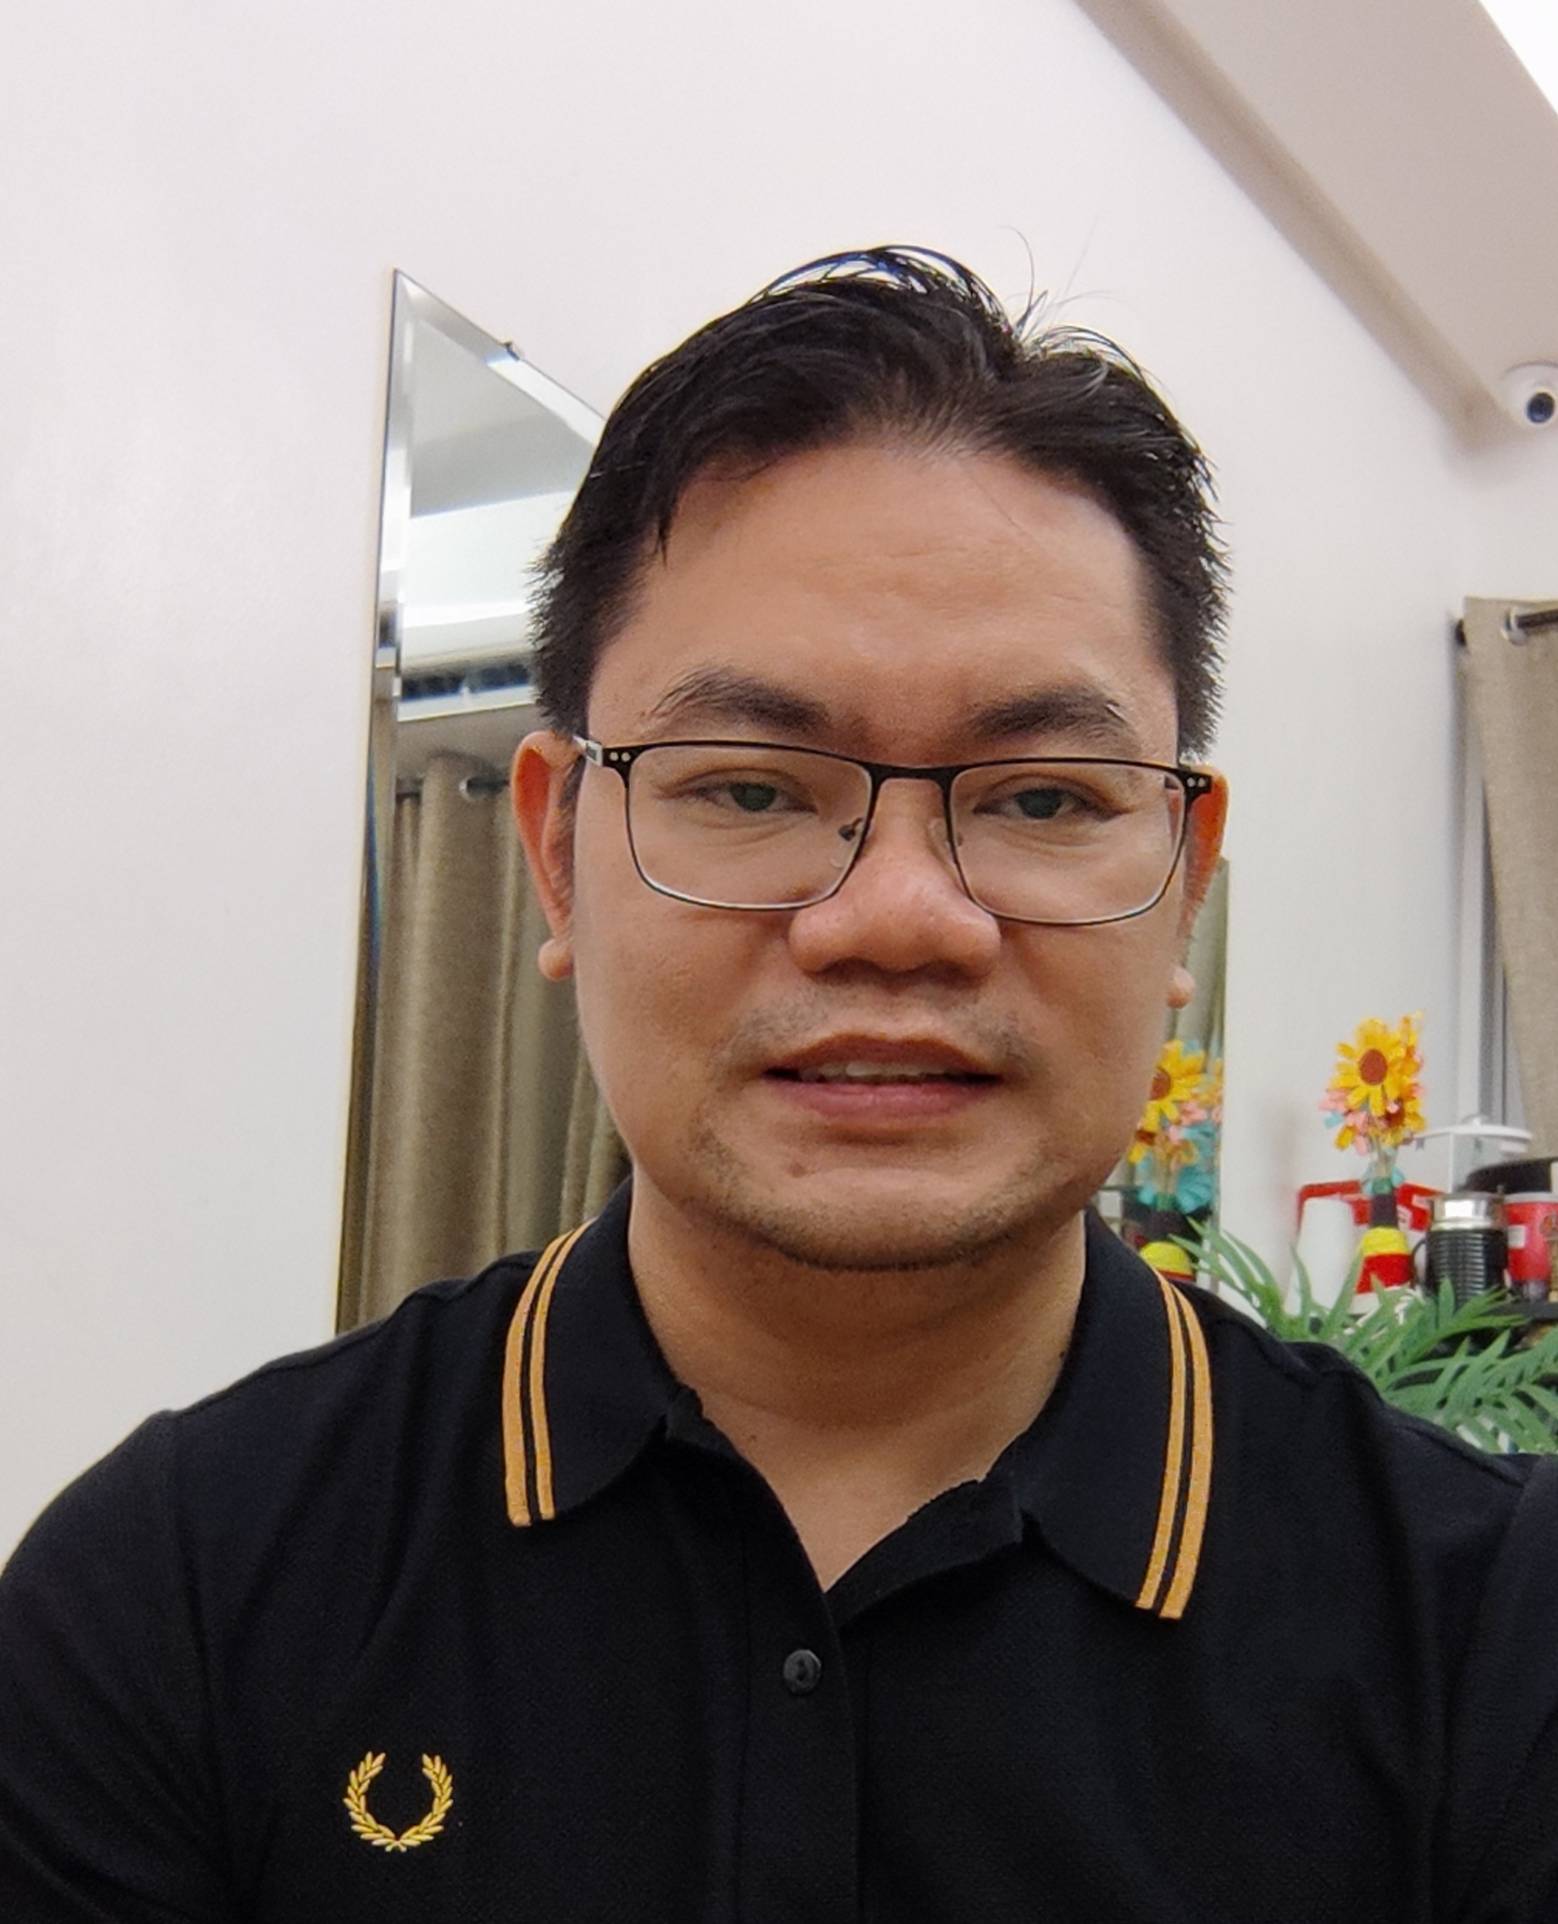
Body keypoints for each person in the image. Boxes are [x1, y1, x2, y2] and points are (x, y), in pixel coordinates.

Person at [2, 248, 1556, 1923]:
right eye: (747, 788)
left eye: (1042, 799)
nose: (897, 919)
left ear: (1183, 884)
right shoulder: (183, 1587)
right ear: (553, 856)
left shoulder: (1490, 1629)